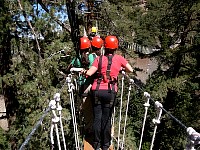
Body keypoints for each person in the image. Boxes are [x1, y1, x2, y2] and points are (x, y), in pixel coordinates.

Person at [82, 35, 133, 150]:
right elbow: (130, 70)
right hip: (110, 92)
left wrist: (83, 71)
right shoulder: (120, 59)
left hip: (97, 90)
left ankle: (96, 143)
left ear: (104, 46)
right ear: (115, 47)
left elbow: (89, 73)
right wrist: (120, 69)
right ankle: (105, 145)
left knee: (97, 118)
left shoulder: (98, 59)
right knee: (106, 118)